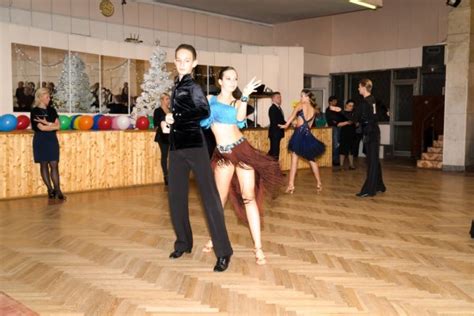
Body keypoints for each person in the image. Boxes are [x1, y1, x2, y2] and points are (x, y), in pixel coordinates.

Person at [200, 67, 284, 265]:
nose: (232, 81)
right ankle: (214, 238)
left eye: (235, 78)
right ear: (220, 81)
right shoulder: (210, 100)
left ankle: (258, 247)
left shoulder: (238, 102)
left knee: (249, 197)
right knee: (218, 200)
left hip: (241, 150)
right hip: (222, 153)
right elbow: (199, 119)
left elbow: (239, 119)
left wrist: (245, 96)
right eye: (228, 78)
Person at [165, 44, 233, 272]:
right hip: (176, 148)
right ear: (175, 61)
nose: (182, 63)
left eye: (187, 60)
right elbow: (177, 116)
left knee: (210, 199)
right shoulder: (176, 85)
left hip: (194, 146)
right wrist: (167, 122)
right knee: (176, 198)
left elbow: (204, 111)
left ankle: (224, 252)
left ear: (194, 63)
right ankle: (183, 243)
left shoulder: (192, 86)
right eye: (179, 59)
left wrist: (178, 116)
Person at [279, 89, 325, 193]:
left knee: (294, 160)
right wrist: (298, 123)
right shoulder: (313, 109)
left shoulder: (300, 105)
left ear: (307, 97)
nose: (301, 98)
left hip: (299, 135)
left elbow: (290, 118)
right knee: (312, 160)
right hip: (308, 135)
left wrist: (286, 125)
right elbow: (309, 126)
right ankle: (319, 183)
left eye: (302, 96)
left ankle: (291, 185)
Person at [30, 88, 66, 200]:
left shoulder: (52, 110)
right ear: (40, 97)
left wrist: (48, 124)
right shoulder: (35, 111)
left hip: (51, 139)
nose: (49, 99)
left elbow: (58, 126)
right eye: (47, 97)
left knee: (54, 164)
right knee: (44, 164)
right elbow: (41, 128)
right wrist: (51, 126)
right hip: (40, 140)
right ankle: (50, 189)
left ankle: (58, 190)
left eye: (49, 97)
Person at [353, 79, 386, 197]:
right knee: (374, 159)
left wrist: (342, 111)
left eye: (359, 87)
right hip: (374, 131)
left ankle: (369, 189)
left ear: (363, 87)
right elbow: (376, 115)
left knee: (371, 161)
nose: (358, 89)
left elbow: (355, 118)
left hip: (370, 132)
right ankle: (379, 185)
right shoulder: (373, 100)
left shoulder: (364, 103)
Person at [153, 93, 171, 186]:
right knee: (164, 155)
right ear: (162, 100)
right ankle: (166, 176)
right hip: (162, 136)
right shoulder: (157, 111)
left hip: (172, 136)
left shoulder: (171, 110)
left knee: (173, 156)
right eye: (166, 99)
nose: (168, 100)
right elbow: (156, 124)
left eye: (169, 99)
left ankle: (173, 176)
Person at [325, 96, 345, 166]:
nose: (335, 102)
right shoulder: (328, 110)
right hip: (334, 128)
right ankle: (334, 160)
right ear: (330, 102)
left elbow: (341, 117)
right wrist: (337, 122)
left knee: (338, 143)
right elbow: (331, 121)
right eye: (334, 101)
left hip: (339, 127)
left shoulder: (337, 109)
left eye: (336, 101)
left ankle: (336, 159)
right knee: (335, 144)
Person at [338, 100, 357, 170]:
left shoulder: (354, 113)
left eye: (352, 106)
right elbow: (338, 124)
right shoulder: (342, 113)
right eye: (350, 105)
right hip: (344, 133)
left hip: (352, 133)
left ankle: (351, 165)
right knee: (342, 149)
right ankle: (341, 165)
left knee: (351, 149)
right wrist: (346, 122)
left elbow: (356, 122)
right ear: (346, 105)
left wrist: (356, 123)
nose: (351, 107)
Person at [267, 92, 286, 160]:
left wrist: (289, 123)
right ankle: (273, 168)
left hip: (277, 133)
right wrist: (285, 124)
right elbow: (275, 122)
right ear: (273, 99)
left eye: (280, 97)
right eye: (278, 97)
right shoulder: (272, 108)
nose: (280, 99)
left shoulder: (278, 108)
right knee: (275, 153)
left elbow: (281, 120)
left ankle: (267, 166)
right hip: (275, 133)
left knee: (273, 152)